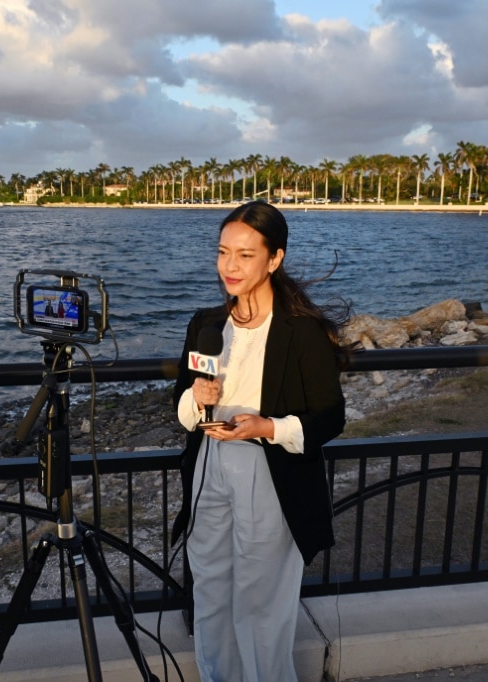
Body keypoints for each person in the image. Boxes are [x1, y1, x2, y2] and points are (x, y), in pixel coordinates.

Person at [172, 201, 347, 681]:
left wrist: (267, 428)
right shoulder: (206, 325)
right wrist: (196, 396)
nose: (230, 265)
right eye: (224, 252)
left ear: (274, 259)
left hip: (269, 470)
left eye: (245, 255)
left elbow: (331, 417)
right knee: (209, 589)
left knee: (261, 598)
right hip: (209, 463)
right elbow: (182, 411)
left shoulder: (301, 332)